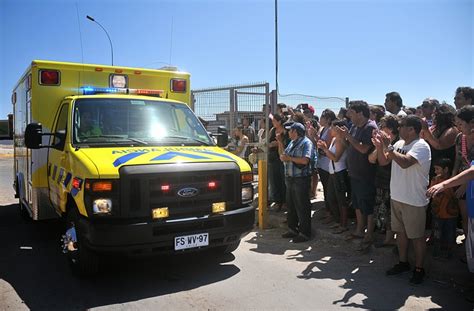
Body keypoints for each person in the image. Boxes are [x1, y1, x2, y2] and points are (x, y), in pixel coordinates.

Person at [378, 115, 431, 285]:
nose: (398, 128)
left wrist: (388, 147)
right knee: (400, 232)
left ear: (412, 129)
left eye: (402, 126)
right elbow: (383, 161)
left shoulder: (421, 146)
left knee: (417, 236)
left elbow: (406, 163)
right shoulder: (399, 144)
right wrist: (380, 147)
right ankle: (403, 262)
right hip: (398, 196)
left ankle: (419, 269)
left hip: (414, 199)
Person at [337, 101, 377, 249]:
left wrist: (347, 135)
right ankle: (360, 230)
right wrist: (344, 138)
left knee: (368, 205)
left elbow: (363, 149)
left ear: (360, 113)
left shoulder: (370, 127)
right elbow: (352, 147)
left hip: (366, 174)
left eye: (351, 112)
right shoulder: (354, 126)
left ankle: (369, 234)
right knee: (358, 204)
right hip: (354, 173)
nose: (349, 116)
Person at [278, 122, 313, 243]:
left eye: (290, 130)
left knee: (302, 206)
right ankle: (293, 229)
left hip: (300, 179)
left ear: (296, 132)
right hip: (290, 178)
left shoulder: (306, 143)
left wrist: (289, 158)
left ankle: (305, 233)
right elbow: (284, 155)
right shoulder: (292, 143)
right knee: (291, 205)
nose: (288, 132)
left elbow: (305, 160)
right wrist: (280, 143)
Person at [369, 115, 399, 248]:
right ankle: (386, 237)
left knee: (389, 212)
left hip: (391, 182)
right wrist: (378, 146)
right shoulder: (383, 142)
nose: (380, 129)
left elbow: (383, 162)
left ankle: (389, 238)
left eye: (383, 127)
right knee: (382, 210)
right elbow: (371, 159)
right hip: (381, 181)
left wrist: (382, 146)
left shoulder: (397, 143)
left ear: (391, 129)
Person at [317, 119, 349, 234]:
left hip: (339, 172)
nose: (330, 129)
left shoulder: (341, 141)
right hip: (333, 172)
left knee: (341, 200)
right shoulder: (335, 139)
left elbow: (336, 158)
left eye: (332, 127)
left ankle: (343, 224)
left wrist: (325, 149)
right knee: (331, 198)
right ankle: (338, 220)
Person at [429, 158, 459, 259]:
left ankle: (448, 253)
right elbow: (431, 192)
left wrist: (444, 187)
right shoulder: (434, 180)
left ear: (446, 169)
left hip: (450, 215)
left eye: (438, 169)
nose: (435, 172)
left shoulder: (454, 180)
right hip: (437, 213)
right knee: (437, 233)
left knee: (449, 234)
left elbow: (454, 196)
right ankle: (436, 252)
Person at [452, 106, 474, 237]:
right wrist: (453, 176)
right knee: (465, 218)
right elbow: (458, 158)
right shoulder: (460, 137)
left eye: (461, 124)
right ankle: (468, 250)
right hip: (462, 183)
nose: (458, 127)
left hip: (468, 185)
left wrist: (464, 186)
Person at [316, 109, 337, 223]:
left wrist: (315, 136)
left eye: (322, 117)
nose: (320, 120)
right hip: (322, 164)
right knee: (325, 188)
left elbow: (327, 147)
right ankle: (328, 211)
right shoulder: (323, 129)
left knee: (329, 191)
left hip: (327, 164)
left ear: (328, 119)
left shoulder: (330, 130)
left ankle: (331, 214)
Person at [268, 114, 289, 211]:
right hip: (273, 158)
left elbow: (286, 142)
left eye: (274, 121)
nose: (273, 123)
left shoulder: (286, 131)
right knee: (274, 180)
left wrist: (277, 143)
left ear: (280, 122)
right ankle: (277, 201)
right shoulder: (272, 130)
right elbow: (268, 142)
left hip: (282, 157)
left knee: (283, 180)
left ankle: (285, 201)